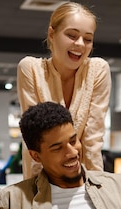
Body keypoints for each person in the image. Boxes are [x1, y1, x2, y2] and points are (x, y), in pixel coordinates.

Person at [17, 1, 110, 179]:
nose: (81, 44)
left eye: (88, 39)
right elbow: (36, 139)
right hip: (42, 178)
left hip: (81, 181)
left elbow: (93, 140)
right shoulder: (30, 68)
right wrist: (37, 194)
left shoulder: (98, 70)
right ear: (52, 34)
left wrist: (98, 190)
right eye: (72, 35)